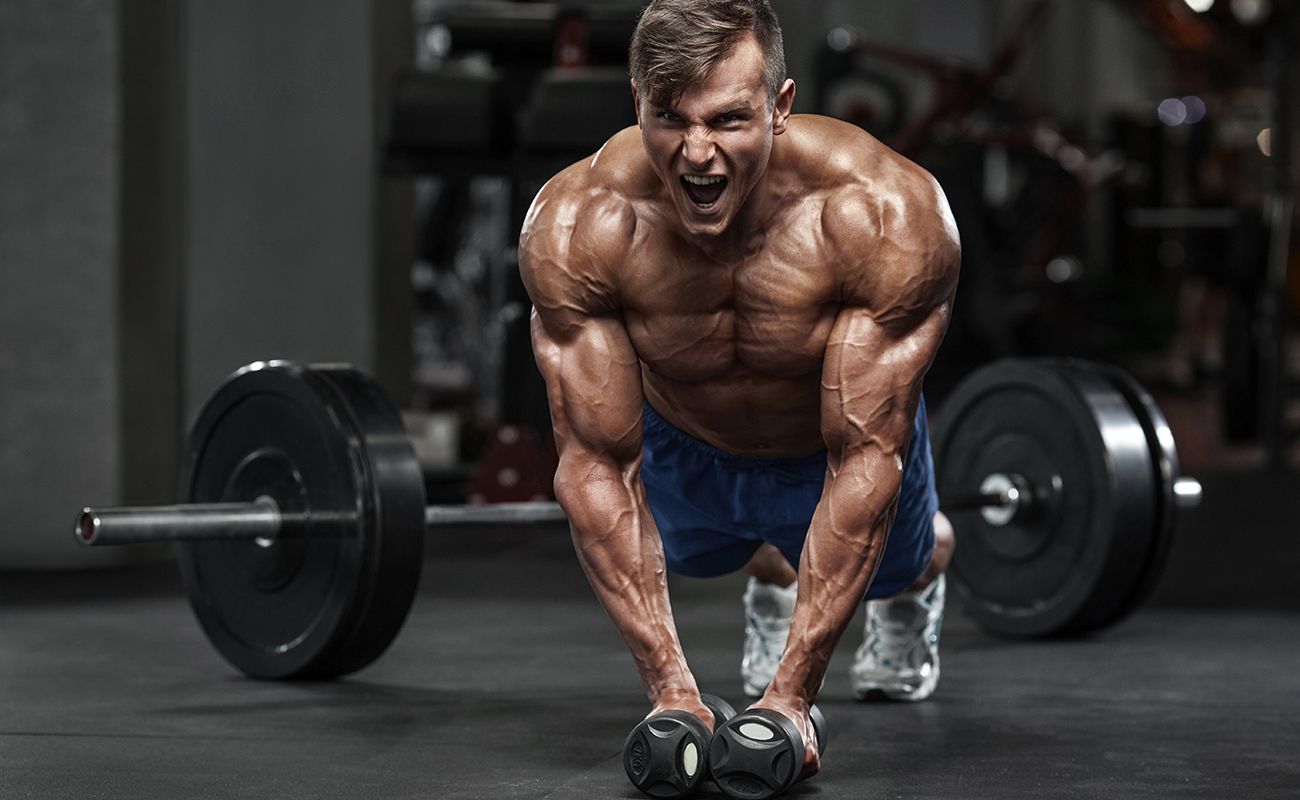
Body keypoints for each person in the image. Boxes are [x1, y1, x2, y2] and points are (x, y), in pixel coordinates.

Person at [518, 0, 959, 779]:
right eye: (671, 119)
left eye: (728, 120)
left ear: (779, 108)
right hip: (684, 443)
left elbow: (864, 458)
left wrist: (790, 699)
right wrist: (671, 693)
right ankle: (776, 572)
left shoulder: (885, 213)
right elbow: (593, 467)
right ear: (636, 102)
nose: (697, 154)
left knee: (902, 562)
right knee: (740, 553)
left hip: (829, 445)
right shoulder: (579, 224)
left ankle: (919, 582)